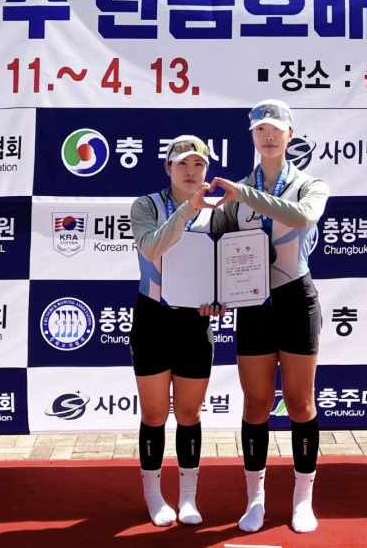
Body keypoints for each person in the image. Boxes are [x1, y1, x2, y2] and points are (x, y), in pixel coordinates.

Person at [211, 99, 329, 534]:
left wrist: (242, 194)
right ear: (253, 136)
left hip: (296, 299)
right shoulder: (236, 193)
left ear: (289, 134)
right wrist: (213, 294)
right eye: (260, 129)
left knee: (299, 403)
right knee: (257, 404)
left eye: (276, 129)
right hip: (254, 306)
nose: (268, 136)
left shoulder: (310, 185)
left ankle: (302, 498)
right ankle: (255, 498)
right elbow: (216, 249)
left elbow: (303, 216)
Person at [129, 135, 221, 527]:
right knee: (154, 414)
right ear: (168, 168)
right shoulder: (146, 205)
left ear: (207, 170)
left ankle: (188, 497)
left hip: (194, 321)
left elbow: (227, 264)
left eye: (199, 164)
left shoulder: (219, 211)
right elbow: (152, 248)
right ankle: (153, 496)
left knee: (188, 413)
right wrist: (187, 209)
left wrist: (221, 297)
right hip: (153, 318)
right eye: (182, 163)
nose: (191, 171)